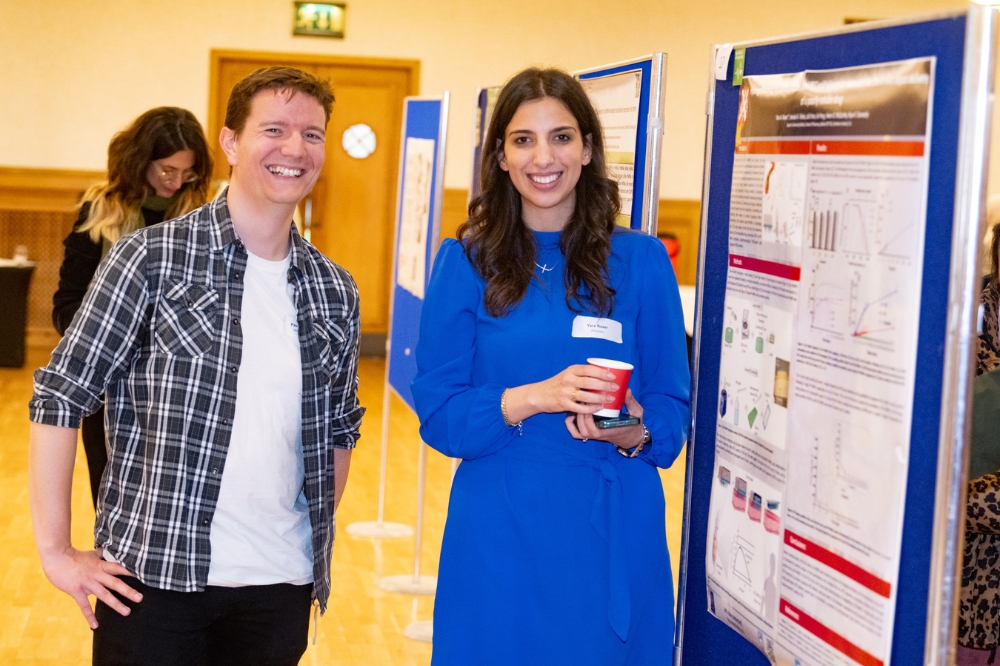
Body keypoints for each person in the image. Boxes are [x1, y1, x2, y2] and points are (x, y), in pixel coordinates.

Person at [29, 66, 364, 666]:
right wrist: (56, 550)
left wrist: (303, 540)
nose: (295, 148)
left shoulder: (334, 290)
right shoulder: (149, 259)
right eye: (275, 129)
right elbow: (60, 395)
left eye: (312, 134)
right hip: (152, 581)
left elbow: (340, 429)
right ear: (232, 142)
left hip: (279, 588)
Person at [411, 68, 691, 664]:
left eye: (562, 137)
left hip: (614, 525)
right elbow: (438, 413)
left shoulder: (640, 261)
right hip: (500, 529)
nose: (544, 156)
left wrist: (635, 430)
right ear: (502, 158)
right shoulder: (464, 263)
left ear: (588, 149)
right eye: (523, 140)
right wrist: (532, 397)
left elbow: (672, 409)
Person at [52, 106, 212, 508]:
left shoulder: (202, 218)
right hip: (107, 389)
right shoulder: (100, 211)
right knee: (111, 502)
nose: (176, 183)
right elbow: (66, 302)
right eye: (166, 171)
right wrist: (104, 335)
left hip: (181, 390)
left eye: (186, 172)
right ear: (140, 161)